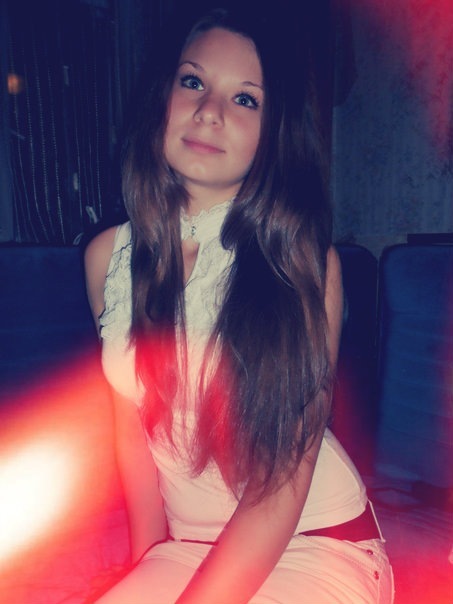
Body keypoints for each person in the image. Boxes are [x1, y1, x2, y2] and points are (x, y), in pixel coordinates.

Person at [85, 6, 394, 603]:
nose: (210, 111)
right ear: (162, 97)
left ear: (273, 133)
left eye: (245, 99)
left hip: (312, 542)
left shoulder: (301, 263)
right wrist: (145, 566)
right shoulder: (108, 257)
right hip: (185, 546)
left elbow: (283, 482)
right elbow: (133, 432)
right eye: (193, 81)